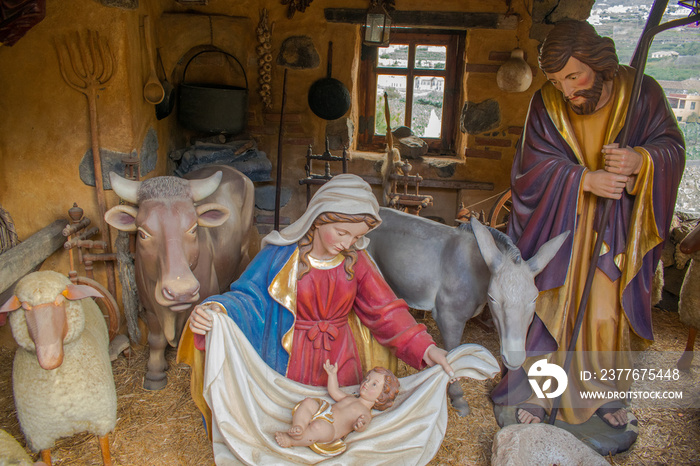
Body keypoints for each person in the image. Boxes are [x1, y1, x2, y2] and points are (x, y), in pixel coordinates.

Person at [490, 20, 685, 429]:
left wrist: (641, 162)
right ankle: (542, 394)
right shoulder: (546, 102)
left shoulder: (643, 94)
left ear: (598, 63)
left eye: (573, 77)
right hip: (560, 227)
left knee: (602, 315)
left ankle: (600, 398)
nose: (567, 90)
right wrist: (584, 179)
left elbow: (672, 148)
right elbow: (530, 168)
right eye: (558, 81)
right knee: (548, 310)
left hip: (613, 230)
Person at [189, 173, 454, 389]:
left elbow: (385, 310)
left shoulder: (355, 260)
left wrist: (425, 348)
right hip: (290, 357)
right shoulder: (280, 255)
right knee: (295, 422)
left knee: (339, 420)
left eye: (355, 237)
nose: (347, 243)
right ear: (319, 218)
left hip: (342, 360)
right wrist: (218, 311)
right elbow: (249, 299)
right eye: (341, 232)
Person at [275, 360, 399, 455]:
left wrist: (360, 424)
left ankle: (292, 441)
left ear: (380, 397)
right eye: (367, 379)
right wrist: (332, 374)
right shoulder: (350, 397)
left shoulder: (365, 412)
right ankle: (299, 427)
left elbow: (364, 424)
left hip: (330, 429)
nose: (366, 383)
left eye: (373, 384)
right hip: (324, 411)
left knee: (317, 428)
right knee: (308, 402)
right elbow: (334, 391)